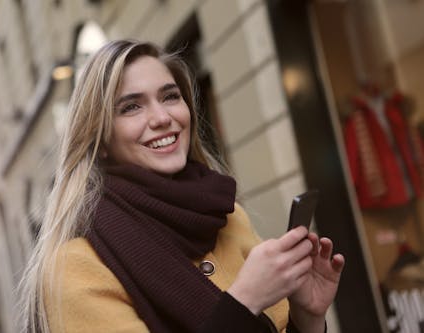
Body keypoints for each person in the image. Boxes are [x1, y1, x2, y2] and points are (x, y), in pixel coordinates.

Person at [19, 39, 345, 333]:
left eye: (170, 96)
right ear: (100, 139)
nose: (161, 117)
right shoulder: (76, 267)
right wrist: (244, 301)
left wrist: (308, 318)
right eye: (131, 106)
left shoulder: (229, 217)